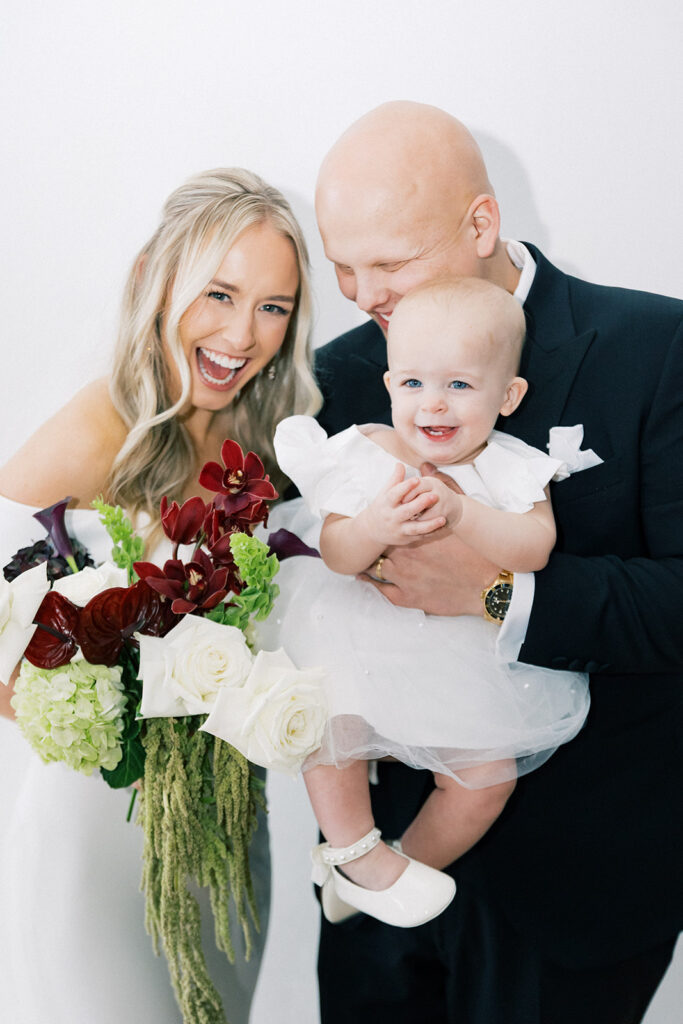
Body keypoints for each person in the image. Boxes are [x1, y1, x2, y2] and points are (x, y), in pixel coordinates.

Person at [311, 101, 683, 1024]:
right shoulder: (341, 376)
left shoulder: (659, 348)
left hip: (580, 889)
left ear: (481, 223)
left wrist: (492, 593)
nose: (363, 294)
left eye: (389, 263)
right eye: (342, 266)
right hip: (378, 873)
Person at [0, 167, 321, 1024]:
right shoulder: (99, 426)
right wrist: (72, 689)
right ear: (154, 276)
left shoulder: (266, 439)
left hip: (221, 828)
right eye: (219, 293)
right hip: (98, 828)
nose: (242, 333)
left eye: (272, 306)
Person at [265, 277, 591, 929]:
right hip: (359, 630)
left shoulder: (510, 466)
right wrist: (372, 528)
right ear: (388, 386)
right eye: (412, 384)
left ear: (508, 396)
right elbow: (335, 553)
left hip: (456, 650)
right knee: (333, 720)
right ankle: (352, 848)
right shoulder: (370, 449)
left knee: (488, 778)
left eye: (459, 386)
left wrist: (463, 513)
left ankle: (397, 866)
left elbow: (533, 547)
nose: (432, 405)